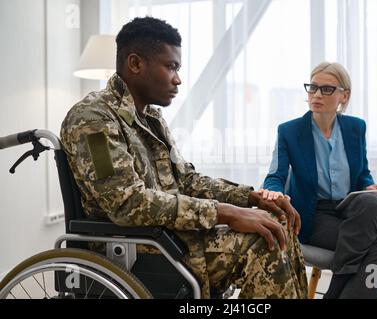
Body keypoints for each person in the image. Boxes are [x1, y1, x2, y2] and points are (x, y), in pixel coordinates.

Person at [60, 16, 307, 299]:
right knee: (263, 241)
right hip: (138, 246)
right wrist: (224, 212)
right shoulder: (92, 119)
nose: (178, 78)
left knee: (276, 219)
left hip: (169, 236)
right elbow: (127, 203)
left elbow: (186, 180)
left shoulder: (150, 117)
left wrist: (250, 198)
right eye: (171, 67)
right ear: (136, 64)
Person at [261, 62, 377, 299]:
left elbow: (362, 172)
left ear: (344, 96)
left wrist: (370, 187)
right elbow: (275, 176)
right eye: (312, 88)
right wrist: (275, 193)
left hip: (350, 208)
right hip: (314, 214)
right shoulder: (290, 131)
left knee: (371, 203)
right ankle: (337, 293)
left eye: (326, 89)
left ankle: (334, 292)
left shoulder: (356, 127)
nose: (316, 94)